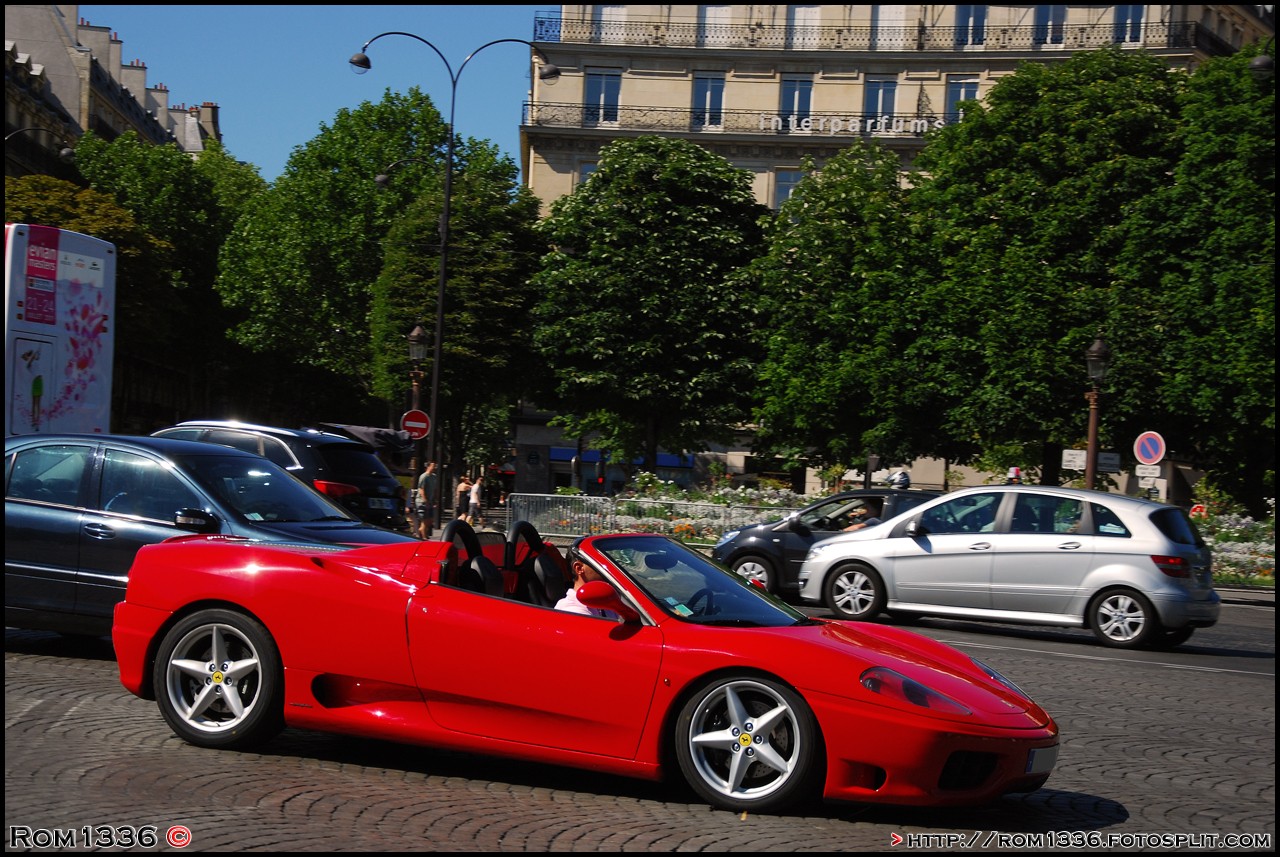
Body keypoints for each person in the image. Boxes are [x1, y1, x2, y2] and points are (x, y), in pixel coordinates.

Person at [555, 555, 620, 620]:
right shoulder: (573, 611)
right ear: (579, 568)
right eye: (601, 564)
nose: (609, 570)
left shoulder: (604, 602)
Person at [415, 462, 438, 539]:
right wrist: (425, 501)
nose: (435, 467)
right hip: (422, 501)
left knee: (430, 520)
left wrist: (434, 500)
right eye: (433, 466)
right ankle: (424, 537)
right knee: (425, 519)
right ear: (428, 467)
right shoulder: (423, 476)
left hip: (430, 501)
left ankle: (420, 531)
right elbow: (421, 489)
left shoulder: (434, 477)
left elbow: (435, 489)